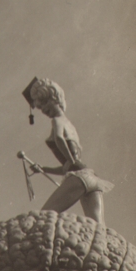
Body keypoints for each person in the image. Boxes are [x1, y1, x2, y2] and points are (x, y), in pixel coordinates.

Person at [23, 77, 113, 225]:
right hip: (91, 176)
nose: (44, 109)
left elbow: (59, 139)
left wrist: (70, 160)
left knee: (42, 217)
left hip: (79, 178)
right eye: (40, 107)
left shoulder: (57, 121)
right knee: (99, 227)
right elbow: (68, 166)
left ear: (56, 97)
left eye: (45, 102)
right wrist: (44, 169)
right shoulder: (71, 126)